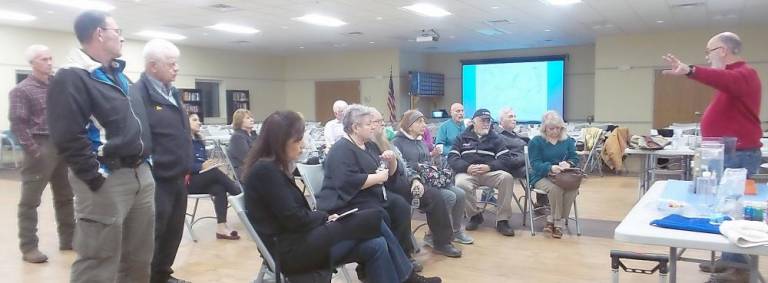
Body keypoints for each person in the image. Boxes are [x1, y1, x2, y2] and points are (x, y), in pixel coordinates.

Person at [242, 110, 440, 283]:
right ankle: (409, 277)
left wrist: (323, 218)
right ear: (280, 142)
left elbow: (294, 217)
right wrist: (324, 217)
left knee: (376, 244)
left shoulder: (271, 168)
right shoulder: (266, 171)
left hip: (302, 239)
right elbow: (294, 219)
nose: (302, 144)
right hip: (292, 251)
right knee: (374, 218)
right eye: (298, 139)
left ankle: (407, 277)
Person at [47, 10, 155, 282]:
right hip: (106, 179)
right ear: (99, 33)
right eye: (117, 31)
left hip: (140, 175)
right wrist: (94, 176)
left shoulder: (118, 75)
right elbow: (67, 135)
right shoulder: (72, 77)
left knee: (139, 260)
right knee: (98, 261)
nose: (121, 37)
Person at [663, 32, 762, 281]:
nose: (707, 57)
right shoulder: (733, 79)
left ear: (722, 51)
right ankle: (730, 259)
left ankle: (738, 269)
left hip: (737, 156)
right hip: (726, 155)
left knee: (730, 209)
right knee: (720, 208)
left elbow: (724, 80)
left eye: (709, 52)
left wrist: (690, 70)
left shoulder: (744, 75)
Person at [316, 104, 423, 270]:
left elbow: (388, 175)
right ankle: (384, 264)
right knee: (380, 214)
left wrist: (391, 161)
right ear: (356, 127)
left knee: (400, 205)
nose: (373, 126)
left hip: (370, 194)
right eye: (368, 124)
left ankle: (403, 256)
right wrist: (377, 177)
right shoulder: (340, 150)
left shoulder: (370, 146)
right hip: (348, 201)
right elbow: (346, 182)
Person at [133, 39, 192, 283]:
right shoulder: (138, 94)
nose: (176, 68)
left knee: (173, 231)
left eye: (176, 63)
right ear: (153, 66)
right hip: (157, 177)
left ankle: (162, 274)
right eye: (171, 63)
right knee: (153, 232)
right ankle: (145, 277)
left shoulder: (172, 93)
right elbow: (140, 136)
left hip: (179, 175)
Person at [10, 44, 74, 264]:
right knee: (30, 201)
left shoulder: (57, 85)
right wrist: (34, 150)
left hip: (62, 145)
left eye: (50, 58)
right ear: (32, 63)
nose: (49, 62)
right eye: (43, 59)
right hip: (40, 145)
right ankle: (29, 247)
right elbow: (18, 124)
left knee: (65, 196)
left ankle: (69, 239)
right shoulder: (22, 90)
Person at [372, 109, 462, 257]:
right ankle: (405, 254)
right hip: (387, 188)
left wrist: (415, 180)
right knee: (401, 205)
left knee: (435, 196)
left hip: (407, 182)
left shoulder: (388, 143)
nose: (382, 125)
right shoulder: (392, 142)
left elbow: (404, 167)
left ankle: (442, 242)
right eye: (377, 122)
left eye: (382, 122)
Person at [392, 110, 474, 246]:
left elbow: (426, 162)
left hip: (430, 179)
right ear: (409, 125)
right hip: (412, 183)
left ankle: (456, 231)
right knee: (449, 196)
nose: (424, 125)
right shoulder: (397, 142)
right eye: (419, 122)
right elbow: (403, 167)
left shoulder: (420, 141)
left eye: (424, 121)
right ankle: (433, 234)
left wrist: (433, 159)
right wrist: (419, 167)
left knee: (460, 194)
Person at [448, 108, 516, 236]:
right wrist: (466, 167)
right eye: (483, 120)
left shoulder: (496, 138)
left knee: (507, 178)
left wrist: (489, 167)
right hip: (468, 172)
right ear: (474, 122)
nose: (486, 123)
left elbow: (506, 159)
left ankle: (502, 220)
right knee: (461, 183)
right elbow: (452, 157)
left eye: (488, 121)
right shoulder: (462, 137)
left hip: (489, 172)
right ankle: (475, 215)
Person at [188, 113, 242, 239]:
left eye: (199, 119)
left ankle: (221, 228)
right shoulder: (181, 142)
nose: (199, 122)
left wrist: (209, 164)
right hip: (188, 182)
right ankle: (239, 194)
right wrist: (201, 167)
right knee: (215, 173)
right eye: (194, 120)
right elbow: (182, 165)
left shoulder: (198, 141)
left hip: (201, 179)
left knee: (219, 188)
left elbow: (204, 163)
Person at [527, 111, 579, 239]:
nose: (555, 131)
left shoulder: (567, 141)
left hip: (563, 175)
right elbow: (535, 164)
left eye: (558, 128)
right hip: (541, 175)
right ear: (544, 128)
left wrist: (569, 163)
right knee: (556, 189)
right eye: (551, 128)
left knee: (573, 189)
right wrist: (550, 168)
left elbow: (575, 158)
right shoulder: (536, 141)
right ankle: (558, 223)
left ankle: (552, 220)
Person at [497, 108, 546, 208]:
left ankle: (548, 202)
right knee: (541, 169)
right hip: (515, 167)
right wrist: (528, 158)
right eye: (510, 117)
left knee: (550, 164)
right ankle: (543, 204)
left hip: (527, 162)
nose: (514, 119)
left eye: (515, 117)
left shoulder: (517, 135)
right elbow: (507, 160)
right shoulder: (498, 136)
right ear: (501, 121)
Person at [227, 108, 258, 179]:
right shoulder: (237, 137)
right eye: (248, 118)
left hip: (255, 167)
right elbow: (247, 158)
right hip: (244, 171)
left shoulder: (253, 135)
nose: (251, 120)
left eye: (251, 117)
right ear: (239, 121)